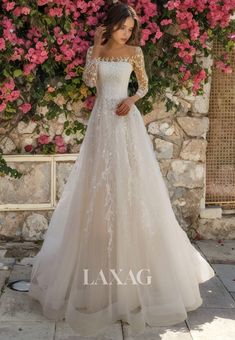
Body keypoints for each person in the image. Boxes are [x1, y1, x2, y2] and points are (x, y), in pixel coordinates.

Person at [28, 2, 215, 337]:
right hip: (101, 123)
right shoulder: (95, 50)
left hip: (124, 123)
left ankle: (134, 272)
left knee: (131, 188)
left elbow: (143, 86)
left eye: (130, 28)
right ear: (110, 24)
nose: (126, 32)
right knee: (97, 188)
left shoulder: (135, 51)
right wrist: (96, 50)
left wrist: (131, 100)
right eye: (122, 27)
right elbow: (88, 82)